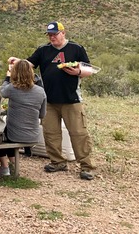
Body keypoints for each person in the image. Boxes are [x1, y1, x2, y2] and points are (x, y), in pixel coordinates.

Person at [8, 21, 96, 180]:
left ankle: (86, 166)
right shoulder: (43, 50)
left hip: (72, 99)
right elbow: (29, 64)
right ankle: (57, 162)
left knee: (78, 133)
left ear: (63, 33)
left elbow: (89, 69)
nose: (52, 37)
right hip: (48, 100)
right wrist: (18, 62)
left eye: (55, 34)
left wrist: (78, 71)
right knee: (51, 133)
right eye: (49, 35)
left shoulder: (76, 48)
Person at [0, 59, 47, 176]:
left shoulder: (12, 88)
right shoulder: (41, 91)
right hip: (33, 135)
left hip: (15, 134)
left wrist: (7, 78)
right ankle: (14, 166)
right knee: (7, 134)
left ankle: (5, 167)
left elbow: (1, 92)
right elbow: (42, 114)